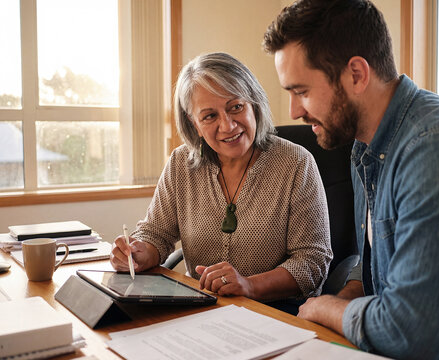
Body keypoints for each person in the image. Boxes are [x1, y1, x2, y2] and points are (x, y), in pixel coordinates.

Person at [263, 0, 439, 359]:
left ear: (356, 75)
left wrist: (325, 309)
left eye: (301, 91)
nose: (294, 111)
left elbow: (413, 332)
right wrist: (345, 297)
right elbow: (373, 267)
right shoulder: (363, 147)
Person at [110, 52, 332, 310]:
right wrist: (138, 253)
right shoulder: (181, 163)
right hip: (202, 311)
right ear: (194, 124)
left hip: (275, 314)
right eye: (209, 116)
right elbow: (155, 233)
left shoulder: (295, 163)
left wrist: (249, 285)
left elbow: (312, 261)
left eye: (236, 107)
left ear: (254, 105)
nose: (227, 126)